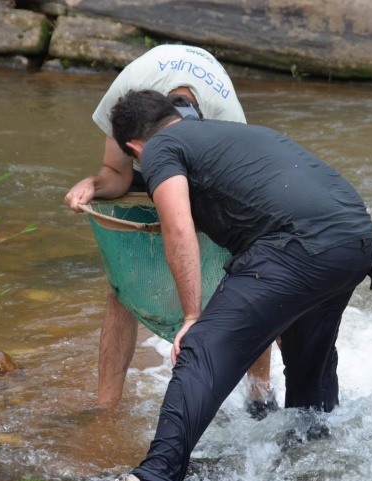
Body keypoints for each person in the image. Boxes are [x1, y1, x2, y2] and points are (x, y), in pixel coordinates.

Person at [99, 90, 372, 481]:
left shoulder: (161, 148)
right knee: (308, 359)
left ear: (134, 148)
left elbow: (178, 230)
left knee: (201, 350)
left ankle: (154, 480)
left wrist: (192, 318)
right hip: (354, 240)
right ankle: (315, 467)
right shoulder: (226, 132)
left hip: (297, 244)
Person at [64, 45, 277, 416]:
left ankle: (260, 396)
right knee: (121, 292)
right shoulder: (126, 100)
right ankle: (105, 410)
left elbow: (224, 203)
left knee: (249, 280)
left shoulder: (227, 124)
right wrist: (94, 186)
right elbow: (116, 174)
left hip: (209, 172)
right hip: (147, 134)